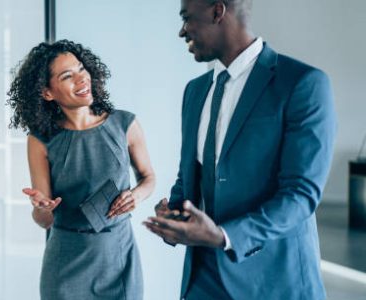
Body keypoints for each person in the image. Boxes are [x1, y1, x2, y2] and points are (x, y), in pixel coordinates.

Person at [142, 0, 336, 299]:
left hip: (272, 282)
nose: (182, 31)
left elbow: (300, 196)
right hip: (201, 280)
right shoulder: (195, 91)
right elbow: (190, 175)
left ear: (217, 12)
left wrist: (224, 237)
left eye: (187, 18)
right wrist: (175, 212)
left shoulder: (302, 83)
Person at [7, 39, 155, 300]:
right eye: (67, 76)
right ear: (47, 93)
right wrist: (41, 208)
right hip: (66, 261)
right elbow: (44, 221)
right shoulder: (41, 140)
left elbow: (148, 178)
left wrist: (137, 195)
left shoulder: (125, 123)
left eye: (81, 69)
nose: (81, 79)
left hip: (118, 257)